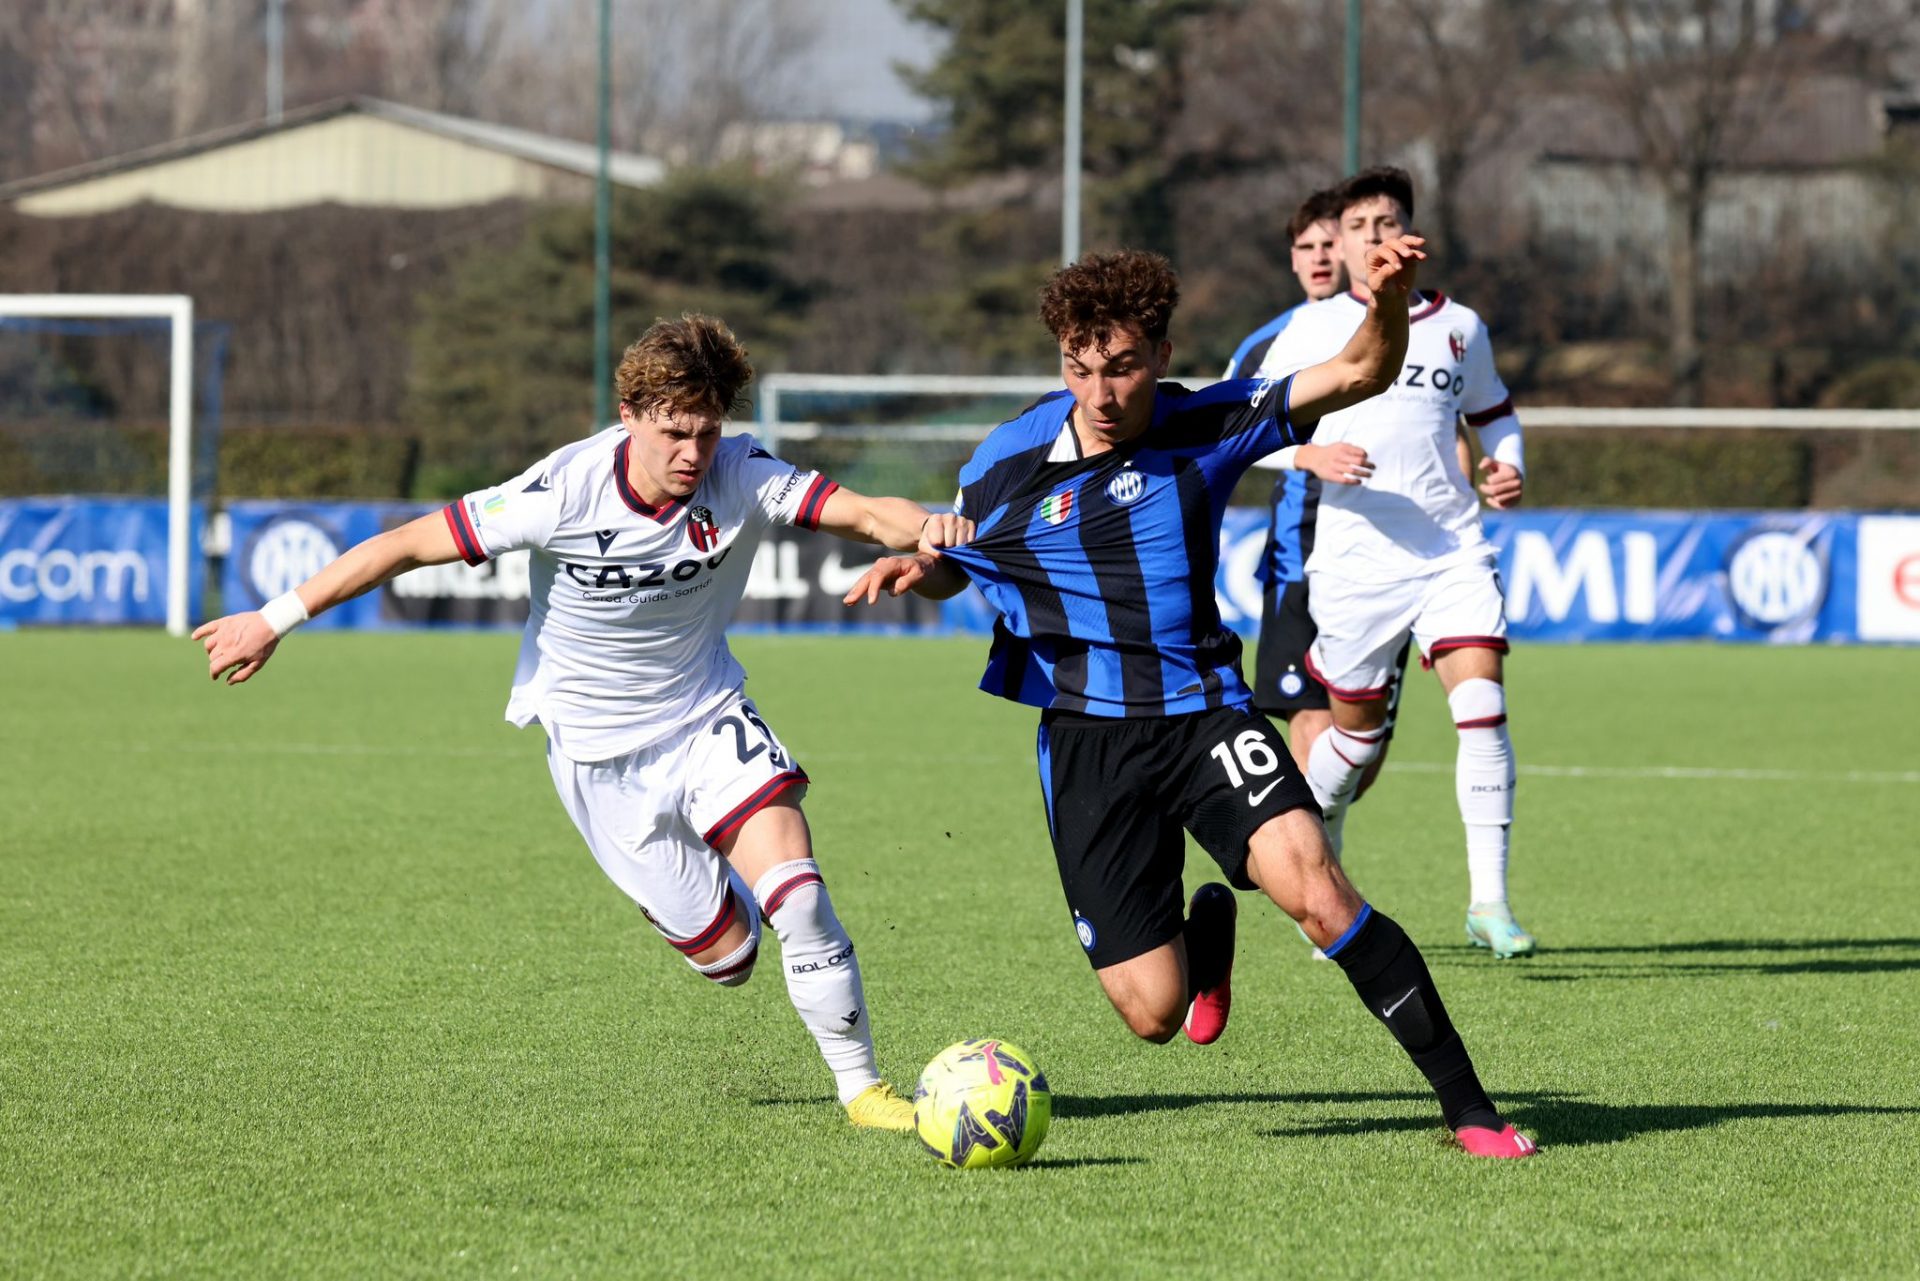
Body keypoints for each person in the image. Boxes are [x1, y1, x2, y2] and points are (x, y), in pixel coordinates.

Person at [194, 314, 967, 1131]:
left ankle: (863, 1091)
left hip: (706, 713)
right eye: (673, 432)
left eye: (707, 432)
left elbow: (864, 513)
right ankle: (719, 895)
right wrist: (272, 619)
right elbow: (402, 547)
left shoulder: (741, 470)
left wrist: (927, 527)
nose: (692, 454)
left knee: (801, 897)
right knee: (731, 958)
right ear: (629, 414)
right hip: (598, 757)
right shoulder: (560, 491)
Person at [846, 248, 1537, 1158]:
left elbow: (1360, 369)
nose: (1100, 393)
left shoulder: (1208, 421)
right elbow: (959, 560)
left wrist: (1392, 299)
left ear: (1163, 354)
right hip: (1087, 740)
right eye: (1079, 368)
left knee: (1320, 893)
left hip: (1205, 713)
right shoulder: (1009, 456)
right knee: (1154, 1013)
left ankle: (1472, 1112)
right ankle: (1205, 932)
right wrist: (924, 564)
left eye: (1124, 367)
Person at [1251, 167, 1534, 959]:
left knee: (1482, 705)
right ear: (1340, 245)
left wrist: (1507, 464)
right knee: (1355, 743)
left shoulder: (1460, 326)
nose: (1374, 236)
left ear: (1413, 235)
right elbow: (1243, 427)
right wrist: (1308, 453)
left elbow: (1495, 413)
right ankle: (1320, 860)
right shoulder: (1314, 329)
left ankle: (1490, 902)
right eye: (1358, 226)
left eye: (1388, 222)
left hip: (1451, 548)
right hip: (1355, 562)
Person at [1227, 190, 1408, 863]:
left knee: (1364, 749)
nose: (1320, 257)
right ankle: (1314, 876)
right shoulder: (1277, 337)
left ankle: (1317, 855)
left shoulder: (1399, 322)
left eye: (1330, 243)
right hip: (1299, 545)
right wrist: (1307, 455)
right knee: (1308, 717)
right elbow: (1226, 429)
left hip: (1390, 547)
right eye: (1306, 247)